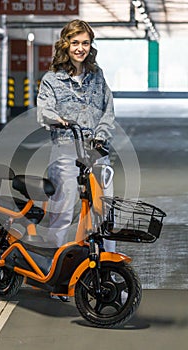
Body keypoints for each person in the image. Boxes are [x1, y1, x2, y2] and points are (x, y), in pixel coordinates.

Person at [37, 19, 116, 252]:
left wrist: (100, 135)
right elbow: (44, 110)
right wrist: (58, 119)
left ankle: (108, 272)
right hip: (66, 152)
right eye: (75, 43)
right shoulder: (52, 79)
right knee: (63, 213)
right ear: (65, 44)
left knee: (103, 212)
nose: (80, 48)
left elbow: (108, 111)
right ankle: (56, 275)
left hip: (97, 152)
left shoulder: (97, 76)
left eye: (85, 43)